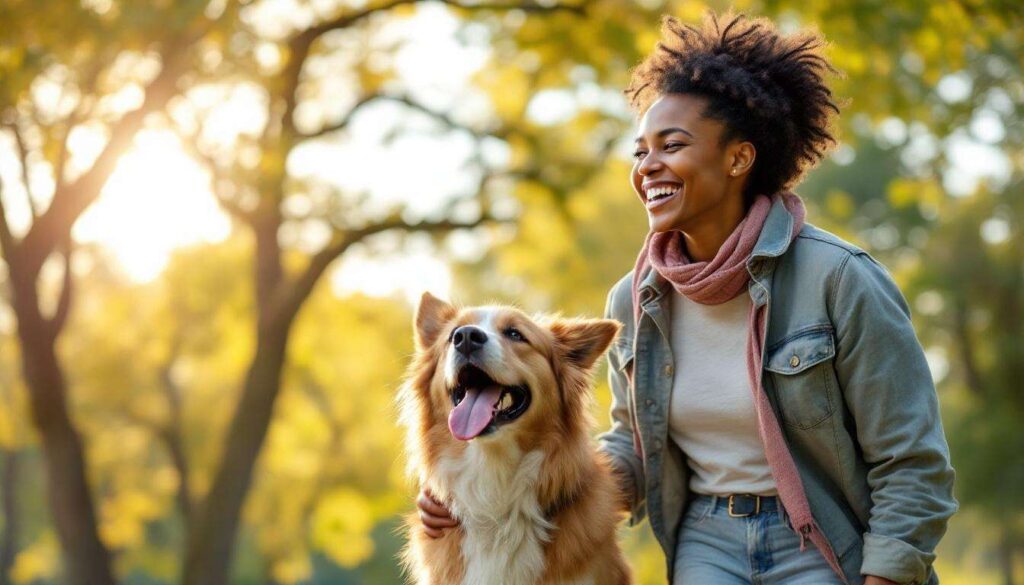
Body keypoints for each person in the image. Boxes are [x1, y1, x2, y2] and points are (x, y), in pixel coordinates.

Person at [417, 11, 957, 585]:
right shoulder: (634, 300)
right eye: (640, 151)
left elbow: (911, 462)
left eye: (671, 145)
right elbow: (630, 446)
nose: (648, 166)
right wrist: (490, 502)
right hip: (707, 541)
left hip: (824, 543)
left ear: (738, 158)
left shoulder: (840, 280)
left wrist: (888, 576)